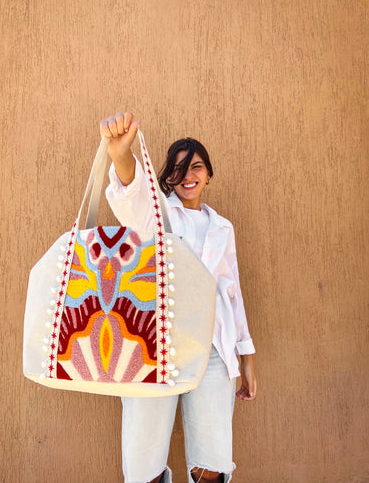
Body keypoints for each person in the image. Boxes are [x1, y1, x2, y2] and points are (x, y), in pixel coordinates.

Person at [100, 112, 257, 483]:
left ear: (208, 174)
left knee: (213, 461)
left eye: (197, 166)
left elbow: (231, 293)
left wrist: (246, 358)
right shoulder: (157, 213)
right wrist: (121, 155)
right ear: (168, 176)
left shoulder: (222, 227)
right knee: (145, 458)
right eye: (179, 168)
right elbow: (131, 194)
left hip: (214, 350)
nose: (188, 174)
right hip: (154, 346)